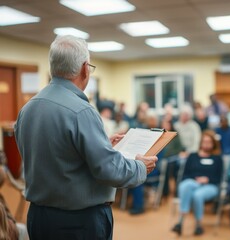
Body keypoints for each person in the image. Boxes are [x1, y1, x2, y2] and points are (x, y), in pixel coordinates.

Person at [14, 35, 158, 239]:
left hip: (39, 218)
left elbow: (51, 154)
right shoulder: (82, 111)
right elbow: (110, 171)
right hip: (78, 223)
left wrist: (101, 146)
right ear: (84, 68)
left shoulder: (27, 109)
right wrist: (141, 167)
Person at [172, 130, 223, 236]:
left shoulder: (217, 159)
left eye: (209, 142)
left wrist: (207, 179)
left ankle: (198, 225)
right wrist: (196, 179)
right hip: (193, 182)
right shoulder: (192, 156)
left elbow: (219, 178)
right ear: (201, 142)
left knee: (197, 195)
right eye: (204, 142)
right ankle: (182, 219)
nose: (206, 144)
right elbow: (185, 175)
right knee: (185, 185)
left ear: (213, 144)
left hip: (210, 185)